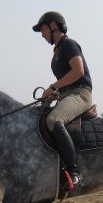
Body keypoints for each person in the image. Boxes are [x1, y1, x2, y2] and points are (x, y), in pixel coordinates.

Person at [32, 11, 93, 189]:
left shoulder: (69, 44)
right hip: (67, 95)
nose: (42, 34)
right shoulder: (57, 51)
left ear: (53, 26)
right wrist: (54, 94)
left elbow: (78, 72)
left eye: (42, 29)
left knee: (54, 119)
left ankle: (74, 172)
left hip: (81, 94)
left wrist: (53, 87)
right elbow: (66, 80)